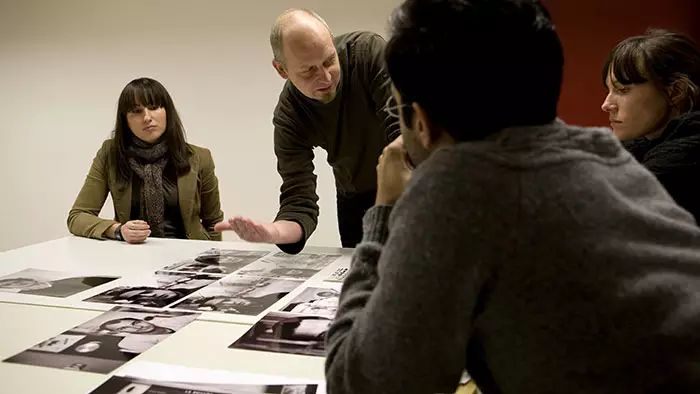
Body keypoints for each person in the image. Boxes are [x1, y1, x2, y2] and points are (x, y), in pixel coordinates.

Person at [324, 1, 700, 393]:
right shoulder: (608, 157)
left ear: (421, 120)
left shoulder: (457, 188)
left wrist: (384, 211)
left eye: (395, 107)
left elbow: (362, 384)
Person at [215, 9, 400, 253]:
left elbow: (403, 132)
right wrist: (274, 232)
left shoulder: (367, 53)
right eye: (308, 70)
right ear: (282, 70)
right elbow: (299, 201)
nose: (325, 77)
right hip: (356, 198)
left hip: (408, 175)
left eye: (329, 60)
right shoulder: (289, 116)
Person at [67, 77, 224, 244]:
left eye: (154, 107)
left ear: (167, 111)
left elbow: (214, 223)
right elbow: (77, 217)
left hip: (190, 260)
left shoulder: (199, 157)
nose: (147, 117)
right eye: (136, 111)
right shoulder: (111, 153)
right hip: (134, 257)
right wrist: (118, 230)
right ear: (125, 120)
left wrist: (213, 263)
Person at [601, 29, 700, 222]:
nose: (606, 105)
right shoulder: (643, 148)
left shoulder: (688, 156)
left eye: (622, 90)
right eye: (609, 90)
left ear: (675, 91)